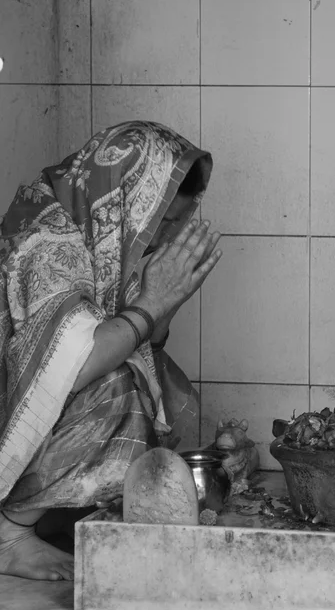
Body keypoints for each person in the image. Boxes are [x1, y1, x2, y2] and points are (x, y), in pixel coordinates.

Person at [0, 120, 222, 582]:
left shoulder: (101, 230)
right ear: (130, 197)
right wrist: (153, 302)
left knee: (166, 389)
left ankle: (53, 512)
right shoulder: (45, 235)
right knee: (117, 387)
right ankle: (9, 535)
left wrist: (166, 304)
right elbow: (75, 367)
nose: (167, 236)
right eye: (165, 220)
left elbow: (142, 342)